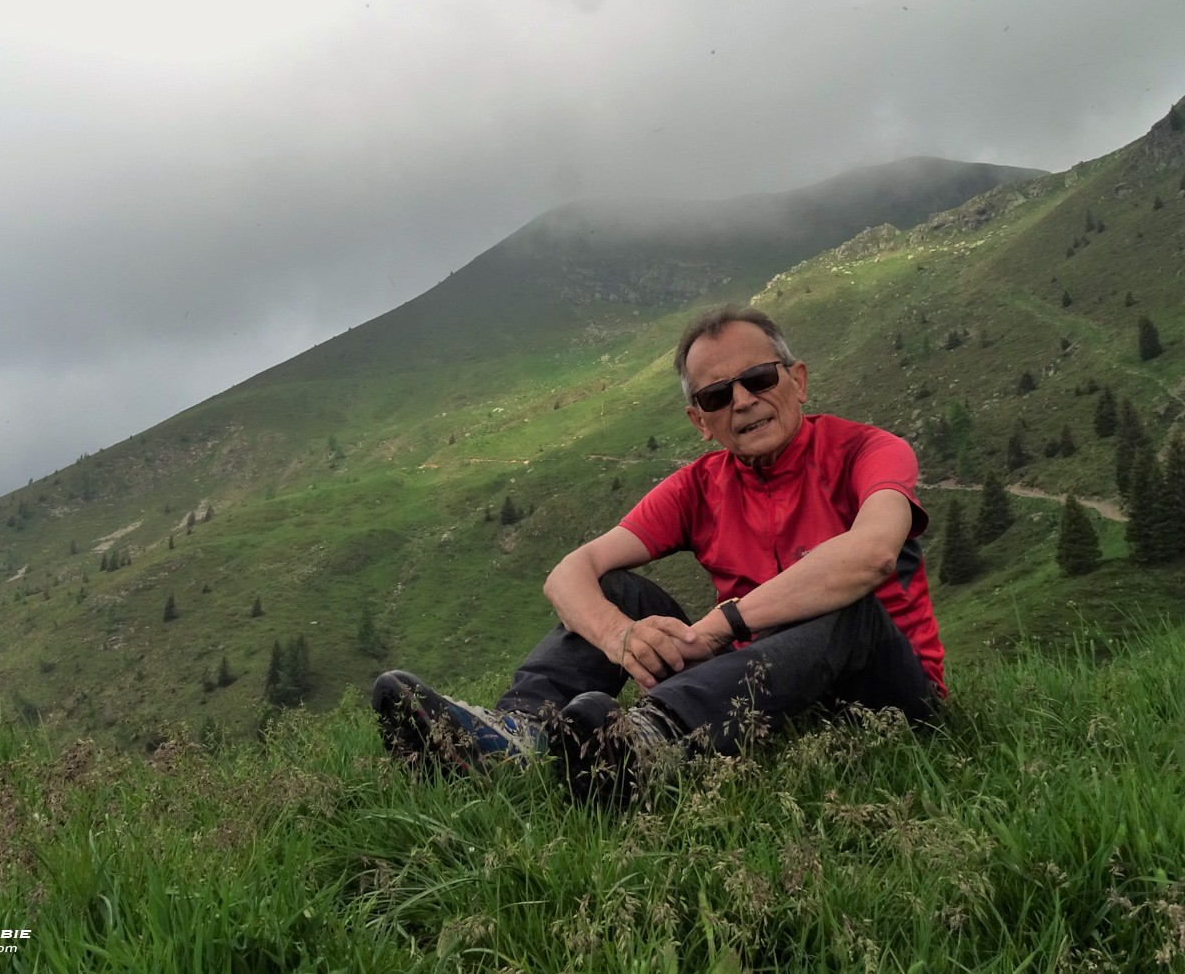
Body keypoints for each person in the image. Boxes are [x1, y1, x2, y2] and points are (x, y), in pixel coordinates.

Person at [373, 304, 945, 804]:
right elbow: (569, 573)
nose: (743, 402)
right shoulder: (700, 486)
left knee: (847, 607)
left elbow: (871, 555)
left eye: (759, 378)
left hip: (888, 697)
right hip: (765, 692)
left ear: (797, 380)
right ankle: (517, 737)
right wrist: (619, 635)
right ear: (701, 421)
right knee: (619, 589)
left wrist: (725, 624)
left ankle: (655, 742)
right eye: (718, 395)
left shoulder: (869, 450)